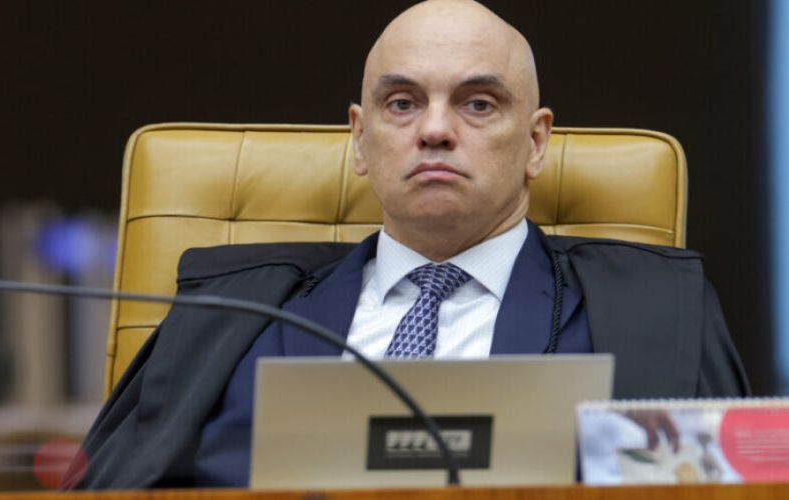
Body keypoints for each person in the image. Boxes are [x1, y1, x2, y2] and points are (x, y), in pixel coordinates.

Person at [66, 0, 749, 489]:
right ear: (360, 139)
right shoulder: (233, 312)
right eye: (402, 103)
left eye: (478, 103)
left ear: (537, 141)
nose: (435, 130)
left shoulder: (652, 311)